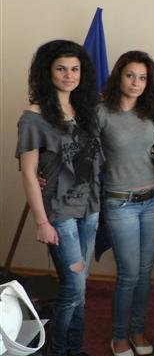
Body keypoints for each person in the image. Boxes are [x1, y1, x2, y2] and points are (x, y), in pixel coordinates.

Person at [16, 40, 102, 356]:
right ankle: (56, 349)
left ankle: (75, 349)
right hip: (59, 212)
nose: (69, 75)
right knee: (74, 286)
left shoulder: (86, 110)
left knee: (80, 286)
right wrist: (41, 222)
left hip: (90, 208)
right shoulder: (33, 116)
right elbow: (28, 173)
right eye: (61, 69)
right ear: (47, 72)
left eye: (75, 69)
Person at [98, 51, 154, 356]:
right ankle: (119, 336)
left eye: (142, 78)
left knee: (145, 271)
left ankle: (138, 331)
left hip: (153, 202)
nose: (136, 83)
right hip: (120, 202)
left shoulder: (151, 111)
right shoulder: (101, 112)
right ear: (118, 77)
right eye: (130, 76)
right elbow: (82, 153)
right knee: (129, 274)